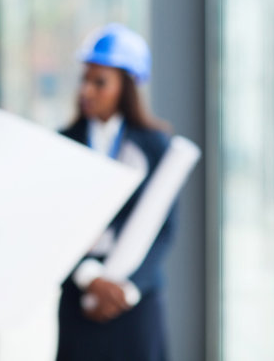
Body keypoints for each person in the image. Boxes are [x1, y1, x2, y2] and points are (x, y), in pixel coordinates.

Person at [56, 24, 176, 361]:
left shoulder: (156, 147)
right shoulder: (63, 143)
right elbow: (50, 220)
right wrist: (88, 278)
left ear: (127, 86)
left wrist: (127, 289)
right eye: (85, 79)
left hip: (135, 303)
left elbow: (166, 231)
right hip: (79, 297)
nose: (87, 90)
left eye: (100, 82)